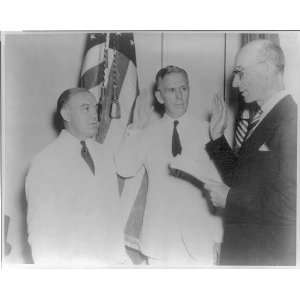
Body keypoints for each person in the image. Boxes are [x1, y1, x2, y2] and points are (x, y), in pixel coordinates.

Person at [115, 66, 223, 266]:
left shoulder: (208, 132)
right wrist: (135, 128)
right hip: (159, 240)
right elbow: (124, 168)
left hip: (200, 240)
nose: (180, 96)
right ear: (160, 96)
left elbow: (219, 184)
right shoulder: (146, 133)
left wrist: (217, 235)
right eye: (172, 90)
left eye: (184, 88)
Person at [204, 39, 297, 266]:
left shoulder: (291, 120)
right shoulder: (264, 116)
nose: (235, 83)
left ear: (266, 68)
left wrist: (229, 198)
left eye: (240, 73)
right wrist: (218, 139)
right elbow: (240, 180)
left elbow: (291, 207)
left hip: (264, 258)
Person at [25, 88, 128, 266]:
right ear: (66, 114)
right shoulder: (45, 161)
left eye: (95, 108)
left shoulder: (104, 154)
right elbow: (40, 231)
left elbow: (113, 215)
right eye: (85, 108)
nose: (95, 115)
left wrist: (121, 260)